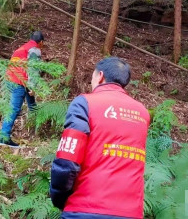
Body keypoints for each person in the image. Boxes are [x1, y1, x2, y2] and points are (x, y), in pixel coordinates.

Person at [49, 57, 150, 219]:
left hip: (85, 208)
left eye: (92, 77)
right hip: (131, 213)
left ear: (100, 76)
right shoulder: (142, 113)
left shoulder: (85, 103)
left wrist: (59, 198)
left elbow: (68, 160)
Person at [0, 31, 44, 148]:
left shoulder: (21, 48)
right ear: (41, 42)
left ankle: (36, 127)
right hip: (19, 81)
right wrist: (33, 87)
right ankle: (4, 137)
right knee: (14, 108)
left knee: (31, 103)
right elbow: (33, 70)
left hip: (10, 78)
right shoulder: (34, 49)